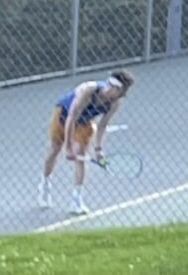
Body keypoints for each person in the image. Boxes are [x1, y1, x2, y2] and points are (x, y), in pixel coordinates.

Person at [40, 70, 132, 213]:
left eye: (117, 90)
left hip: (84, 121)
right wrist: (68, 148)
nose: (111, 90)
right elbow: (71, 117)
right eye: (110, 85)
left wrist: (98, 150)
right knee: (54, 150)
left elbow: (102, 126)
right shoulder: (87, 90)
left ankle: (76, 201)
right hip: (63, 115)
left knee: (80, 156)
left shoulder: (115, 104)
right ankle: (45, 185)